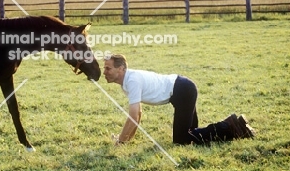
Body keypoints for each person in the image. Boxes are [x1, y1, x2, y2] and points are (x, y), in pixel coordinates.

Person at [102, 54, 255, 145]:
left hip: (182, 90)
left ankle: (231, 125)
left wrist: (121, 142)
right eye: (104, 68)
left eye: (108, 68)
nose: (104, 72)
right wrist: (126, 140)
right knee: (192, 135)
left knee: (182, 139)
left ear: (121, 69)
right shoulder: (126, 83)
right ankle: (235, 126)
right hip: (181, 89)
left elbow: (134, 116)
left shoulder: (132, 81)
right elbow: (138, 114)